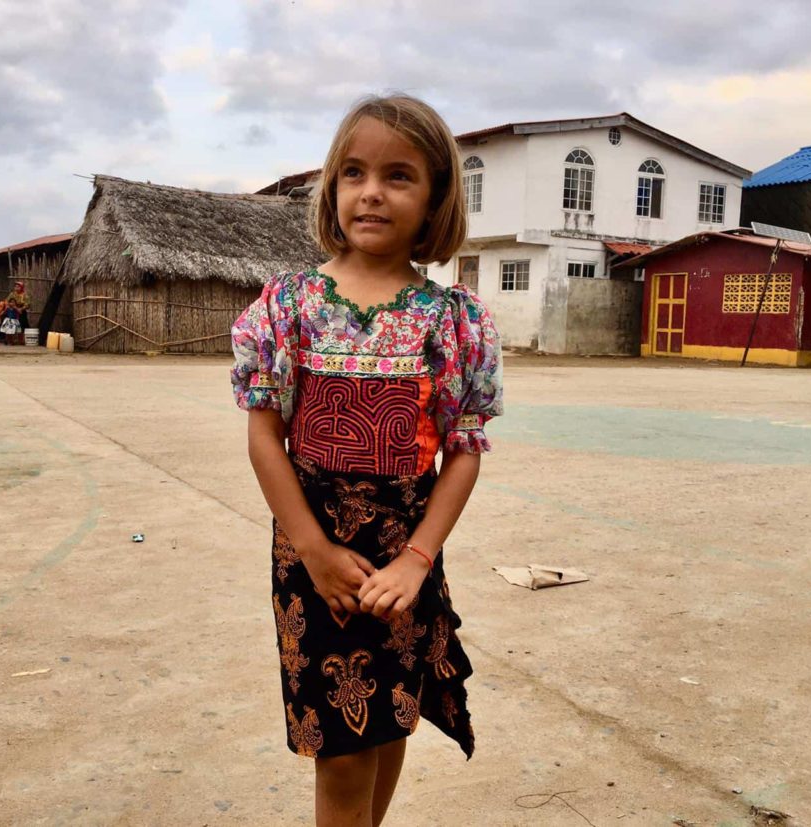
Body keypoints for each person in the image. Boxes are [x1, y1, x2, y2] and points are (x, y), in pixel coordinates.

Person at [231, 94, 503, 827]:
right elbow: (265, 437)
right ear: (332, 187)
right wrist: (313, 548)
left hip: (404, 561)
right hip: (314, 560)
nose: (372, 191)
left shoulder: (454, 320)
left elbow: (464, 450)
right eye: (353, 172)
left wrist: (418, 558)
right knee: (343, 748)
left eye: (399, 175)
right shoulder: (287, 307)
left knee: (389, 719)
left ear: (437, 197)